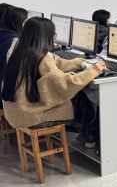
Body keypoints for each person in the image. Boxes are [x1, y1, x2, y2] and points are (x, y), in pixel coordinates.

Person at [1, 18, 107, 148]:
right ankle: (91, 139)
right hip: (30, 116)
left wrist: (78, 64)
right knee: (79, 99)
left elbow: (55, 63)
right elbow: (64, 85)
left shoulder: (18, 51)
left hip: (16, 112)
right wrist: (93, 71)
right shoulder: (42, 58)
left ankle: (85, 135)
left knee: (75, 101)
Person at [0, 6, 28, 108]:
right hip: (4, 98)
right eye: (27, 22)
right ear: (20, 23)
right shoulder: (15, 43)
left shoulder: (4, 36)